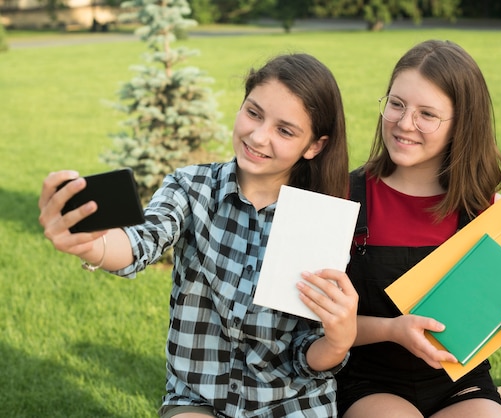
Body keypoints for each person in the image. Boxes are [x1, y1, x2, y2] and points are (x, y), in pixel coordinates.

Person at [38, 53, 359, 418]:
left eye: (284, 131)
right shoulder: (190, 187)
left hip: (291, 402)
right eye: (253, 113)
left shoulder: (319, 220)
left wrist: (338, 340)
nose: (258, 136)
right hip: (199, 399)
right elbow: (141, 241)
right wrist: (93, 244)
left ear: (315, 145)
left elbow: (306, 356)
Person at [336, 40, 501, 418]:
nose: (404, 124)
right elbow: (311, 328)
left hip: (461, 381)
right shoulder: (343, 197)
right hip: (369, 379)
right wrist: (392, 330)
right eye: (397, 104)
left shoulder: (486, 210)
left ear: (461, 125)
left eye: (427, 114)